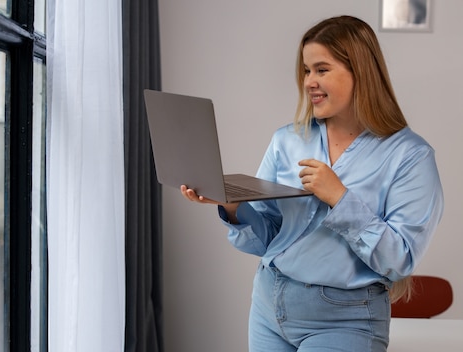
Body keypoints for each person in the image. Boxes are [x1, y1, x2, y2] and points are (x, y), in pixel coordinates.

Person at [181, 15, 443, 352]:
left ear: (360, 71)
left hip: (346, 318)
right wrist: (230, 204)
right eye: (306, 71)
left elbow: (400, 260)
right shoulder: (288, 140)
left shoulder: (410, 156)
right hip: (268, 304)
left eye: (321, 69)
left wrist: (340, 198)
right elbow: (269, 236)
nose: (308, 82)